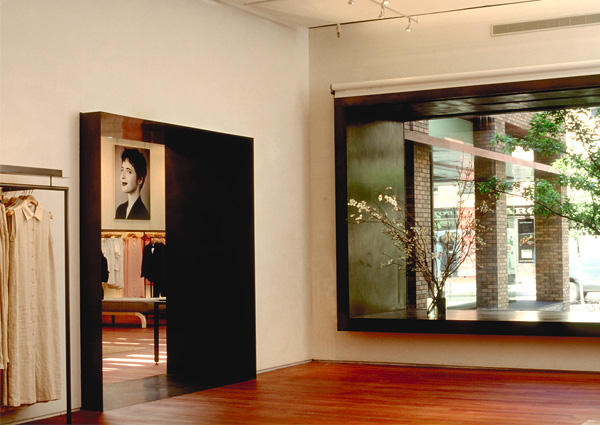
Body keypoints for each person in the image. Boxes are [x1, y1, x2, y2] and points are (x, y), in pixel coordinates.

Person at [115, 148, 150, 220]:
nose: (122, 176)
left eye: (129, 172)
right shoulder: (120, 210)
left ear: (140, 180)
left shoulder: (144, 214)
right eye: (122, 170)